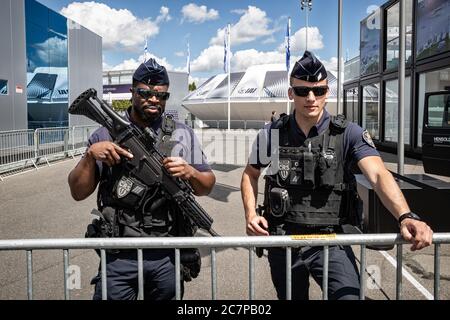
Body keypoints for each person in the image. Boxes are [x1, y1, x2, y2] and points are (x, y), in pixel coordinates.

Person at [240, 51, 433, 300]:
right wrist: (251, 214)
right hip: (283, 239)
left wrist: (406, 216)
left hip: (331, 239)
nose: (311, 98)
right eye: (302, 91)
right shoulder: (272, 134)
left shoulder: (348, 134)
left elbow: (378, 175)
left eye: (318, 91)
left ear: (327, 92)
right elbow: (250, 174)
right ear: (290, 93)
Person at [68, 58, 216, 300]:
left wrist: (191, 172)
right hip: (119, 253)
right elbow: (78, 191)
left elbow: (207, 185)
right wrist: (90, 156)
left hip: (166, 252)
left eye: (161, 95)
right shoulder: (104, 133)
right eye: (145, 93)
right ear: (132, 91)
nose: (154, 99)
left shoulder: (182, 134)